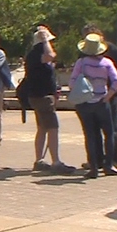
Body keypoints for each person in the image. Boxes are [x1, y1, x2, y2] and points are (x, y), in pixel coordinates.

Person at [70, 34, 117, 179]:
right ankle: (108, 165)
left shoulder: (81, 63)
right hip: (102, 102)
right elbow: (116, 81)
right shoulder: (107, 63)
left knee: (90, 135)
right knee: (109, 134)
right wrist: (108, 96)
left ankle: (93, 167)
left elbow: (72, 82)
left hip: (86, 103)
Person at [26, 26, 75, 174]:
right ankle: (56, 162)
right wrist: (45, 38)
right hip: (42, 96)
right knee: (53, 128)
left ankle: (39, 160)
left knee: (42, 128)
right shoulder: (36, 54)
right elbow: (50, 55)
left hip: (41, 96)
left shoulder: (35, 55)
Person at [81, 25, 117, 170]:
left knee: (109, 130)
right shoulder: (84, 52)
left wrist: (111, 92)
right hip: (99, 97)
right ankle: (100, 160)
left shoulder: (111, 49)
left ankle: (113, 160)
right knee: (98, 130)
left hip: (103, 97)